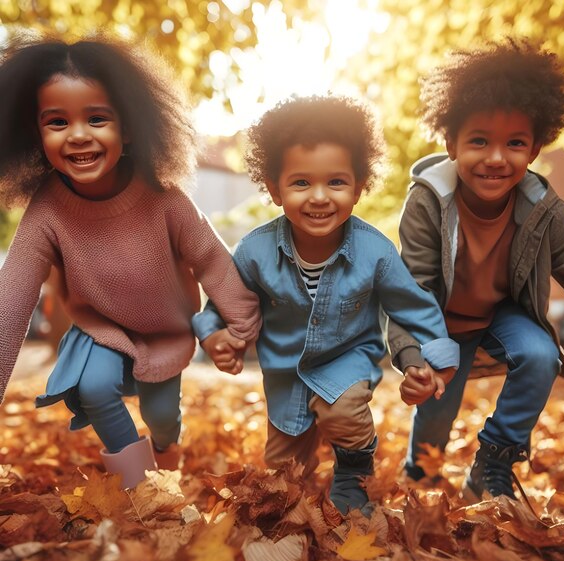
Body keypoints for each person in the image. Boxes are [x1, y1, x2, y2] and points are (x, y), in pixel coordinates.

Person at [0, 33, 261, 489]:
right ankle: (141, 484)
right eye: (56, 122)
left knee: (162, 418)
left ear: (131, 126)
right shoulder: (47, 209)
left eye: (98, 118)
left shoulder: (164, 199)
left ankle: (165, 447)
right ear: (34, 133)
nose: (78, 134)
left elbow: (213, 261)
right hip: (100, 329)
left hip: (165, 331)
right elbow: (12, 297)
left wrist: (240, 328)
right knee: (95, 387)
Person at [192, 94, 459, 515]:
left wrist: (435, 361)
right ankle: (298, 490)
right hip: (285, 374)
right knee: (283, 473)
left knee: (344, 411)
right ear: (276, 189)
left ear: (358, 187)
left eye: (336, 182)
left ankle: (354, 471)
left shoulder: (376, 251)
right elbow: (227, 300)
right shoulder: (255, 250)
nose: (319, 197)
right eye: (301, 183)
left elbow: (415, 307)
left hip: (347, 360)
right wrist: (214, 335)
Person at [388, 38, 564, 502]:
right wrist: (415, 357)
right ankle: (421, 474)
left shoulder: (543, 209)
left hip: (501, 316)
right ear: (450, 142)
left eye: (514, 143)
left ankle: (494, 461)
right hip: (440, 323)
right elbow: (411, 288)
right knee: (436, 412)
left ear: (535, 148)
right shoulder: (427, 202)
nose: (496, 158)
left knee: (541, 354)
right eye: (479, 141)